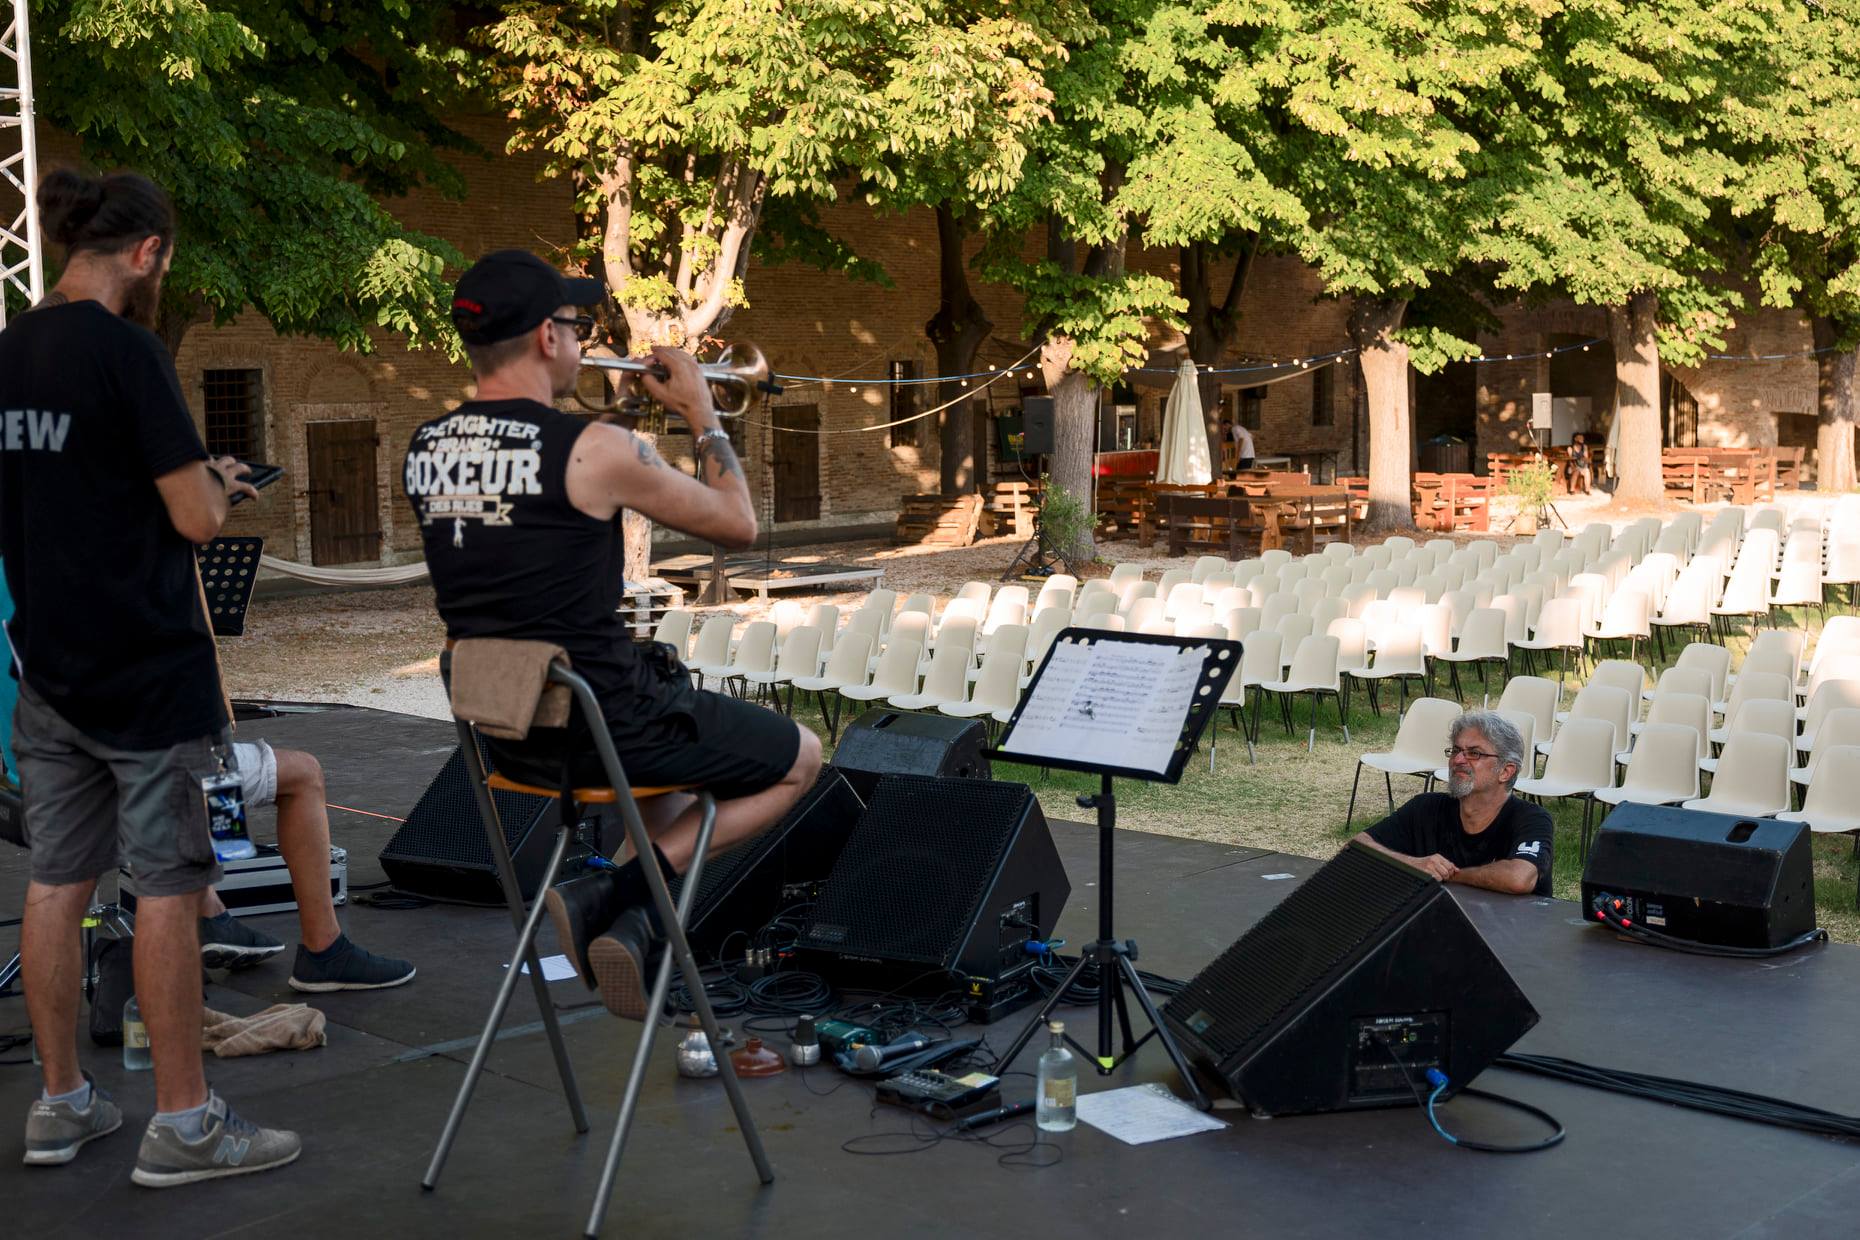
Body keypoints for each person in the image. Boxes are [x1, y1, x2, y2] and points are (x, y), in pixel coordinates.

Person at [403, 250, 822, 1019]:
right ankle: (614, 890)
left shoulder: (425, 448)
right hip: (607, 727)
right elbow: (737, 523)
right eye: (573, 325)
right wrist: (701, 410)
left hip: (512, 733)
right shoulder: (595, 450)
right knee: (802, 759)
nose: (582, 336)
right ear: (545, 339)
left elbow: (560, 486)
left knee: (664, 811)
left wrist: (627, 412)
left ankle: (632, 931)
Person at [5, 168, 299, 1183]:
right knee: (169, 886)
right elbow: (193, 519)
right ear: (144, 252)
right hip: (146, 673)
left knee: (55, 881)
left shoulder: (9, 352)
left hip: (50, 672)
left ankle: (61, 1105)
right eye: (162, 259)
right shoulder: (129, 354)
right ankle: (185, 1122)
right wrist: (219, 484)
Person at [196, 740, 416, 991]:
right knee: (304, 774)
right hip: (166, 761)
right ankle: (325, 949)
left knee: (217, 766)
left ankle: (209, 914)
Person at [1352, 710, 1552, 895]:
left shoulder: (1531, 819)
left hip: (1509, 929)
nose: (1458, 760)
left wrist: (1446, 875)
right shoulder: (1425, 808)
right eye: (1456, 750)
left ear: (1505, 771)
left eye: (1474, 753)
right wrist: (1414, 865)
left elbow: (1519, 878)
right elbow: (1357, 846)